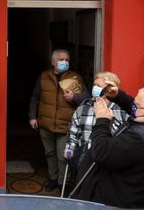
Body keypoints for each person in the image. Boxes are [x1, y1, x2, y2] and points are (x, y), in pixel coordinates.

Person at [72, 86, 144, 208]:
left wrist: (102, 120)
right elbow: (137, 110)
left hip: (111, 204)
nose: (133, 106)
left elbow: (101, 152)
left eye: (136, 104)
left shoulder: (139, 139)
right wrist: (118, 96)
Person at [28, 50, 89, 192]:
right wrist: (32, 117)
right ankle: (53, 179)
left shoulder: (75, 77)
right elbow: (35, 97)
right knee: (49, 153)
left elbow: (86, 97)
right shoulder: (44, 76)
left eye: (67, 60)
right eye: (61, 59)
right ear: (53, 62)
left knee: (63, 155)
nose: (65, 62)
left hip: (66, 124)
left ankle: (64, 183)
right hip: (45, 124)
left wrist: (74, 97)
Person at [64, 72, 130, 175]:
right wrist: (70, 149)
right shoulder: (84, 106)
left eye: (98, 86)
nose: (94, 88)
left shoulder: (120, 110)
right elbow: (73, 131)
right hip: (83, 158)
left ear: (109, 89)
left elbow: (124, 136)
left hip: (108, 163)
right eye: (94, 85)